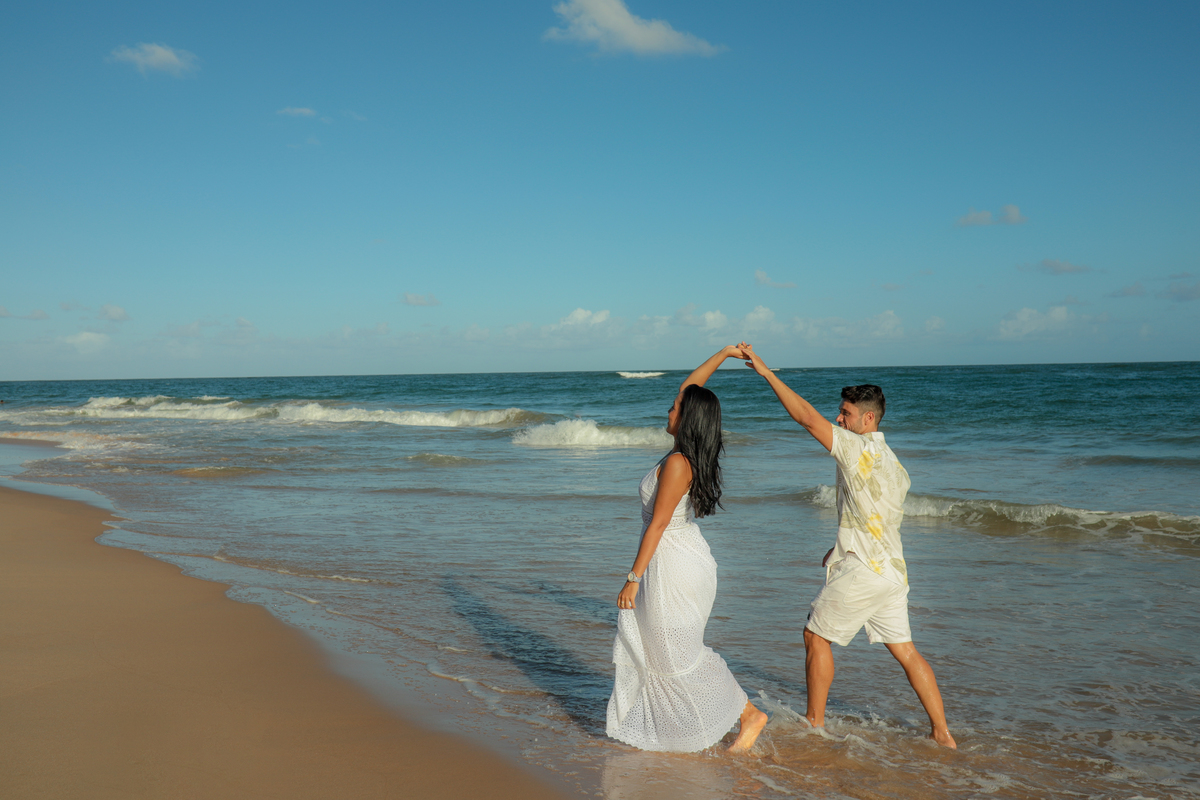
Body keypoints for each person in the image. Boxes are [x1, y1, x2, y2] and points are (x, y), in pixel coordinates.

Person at [738, 343, 956, 749]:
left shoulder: (857, 450)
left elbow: (805, 418)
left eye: (846, 414)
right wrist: (838, 546)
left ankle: (814, 724)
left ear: (868, 417)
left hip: (865, 569)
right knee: (907, 651)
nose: (839, 419)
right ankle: (943, 734)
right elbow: (873, 515)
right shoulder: (895, 464)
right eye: (839, 412)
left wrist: (766, 373)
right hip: (892, 572)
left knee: (815, 637)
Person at [606, 346, 768, 754]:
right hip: (673, 557)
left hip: (675, 564)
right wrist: (727, 353)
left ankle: (748, 714)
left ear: (686, 418)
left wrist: (633, 578)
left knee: (677, 652)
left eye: (674, 407)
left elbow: (658, 524)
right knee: (666, 649)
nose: (668, 410)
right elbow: (691, 386)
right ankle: (734, 716)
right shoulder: (679, 454)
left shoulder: (679, 462)